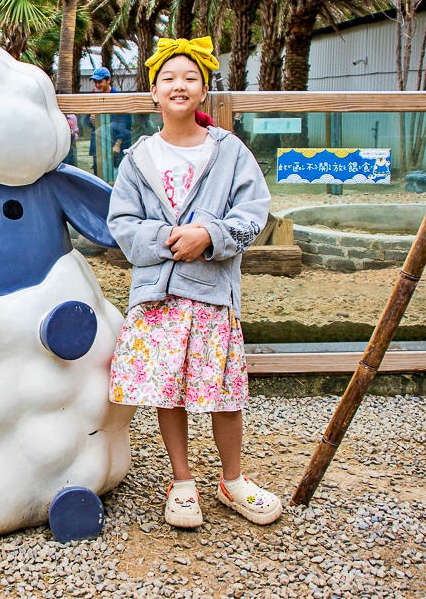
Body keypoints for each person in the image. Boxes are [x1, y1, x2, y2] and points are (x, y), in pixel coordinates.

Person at [106, 37, 279, 529]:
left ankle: (232, 479)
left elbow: (253, 209)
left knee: (223, 391)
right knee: (169, 390)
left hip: (211, 297)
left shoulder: (230, 152)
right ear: (154, 92)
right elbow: (121, 220)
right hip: (158, 298)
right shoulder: (139, 158)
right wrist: (166, 239)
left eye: (190, 78)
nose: (179, 85)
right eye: (168, 78)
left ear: (205, 90)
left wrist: (210, 235)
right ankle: (182, 481)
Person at [87, 67, 132, 175]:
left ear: (108, 80)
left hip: (115, 145)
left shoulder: (118, 98)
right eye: (95, 82)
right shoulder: (95, 98)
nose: (97, 85)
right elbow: (86, 121)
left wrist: (118, 143)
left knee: (116, 175)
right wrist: (91, 120)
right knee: (98, 176)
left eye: (100, 81)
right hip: (98, 145)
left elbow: (125, 124)